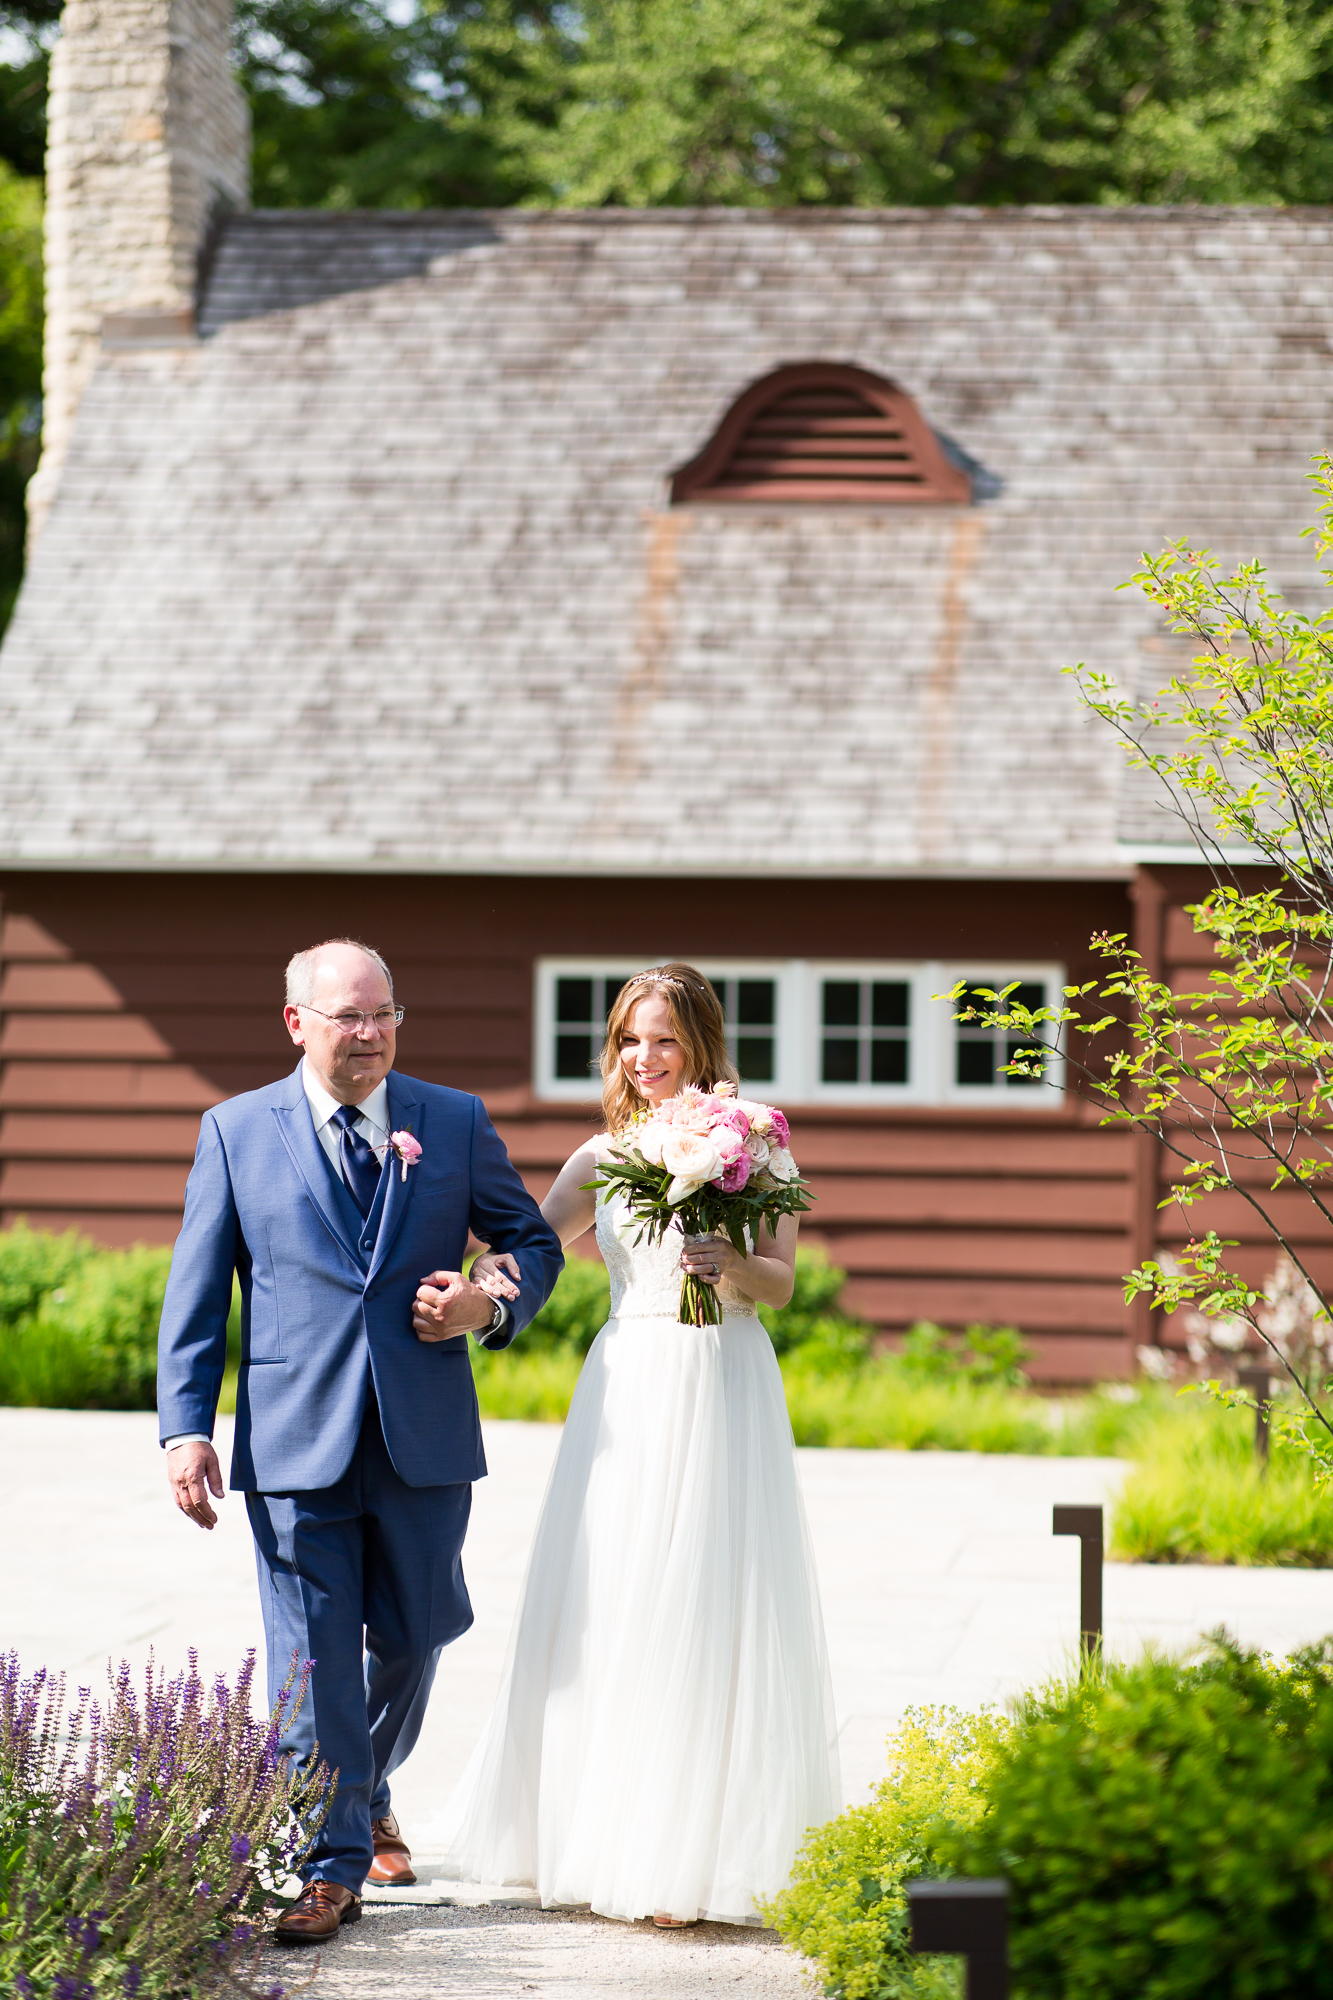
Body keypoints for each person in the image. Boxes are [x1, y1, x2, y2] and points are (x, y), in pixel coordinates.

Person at [157, 937, 563, 1942]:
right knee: (316, 1657)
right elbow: (199, 1289)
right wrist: (184, 1427)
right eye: (349, 1015)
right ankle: (329, 1861)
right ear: (298, 1021)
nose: (371, 1031)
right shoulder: (235, 1129)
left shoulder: (452, 1120)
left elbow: (531, 1240)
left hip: (421, 1428)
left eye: (384, 1013)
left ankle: (363, 1778)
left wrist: (487, 1303)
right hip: (294, 1439)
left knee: (422, 1632)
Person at [437, 962, 839, 1927]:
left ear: (699, 1043)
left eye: (663, 1039)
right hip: (627, 1380)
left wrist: (727, 1260)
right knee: (610, 1593)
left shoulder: (758, 1141)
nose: (645, 1058)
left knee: (703, 1591)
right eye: (629, 1039)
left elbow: (781, 1281)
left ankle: (687, 1854)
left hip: (721, 1374)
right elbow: (527, 1254)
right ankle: (589, 1834)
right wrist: (469, 1283)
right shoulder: (598, 1155)